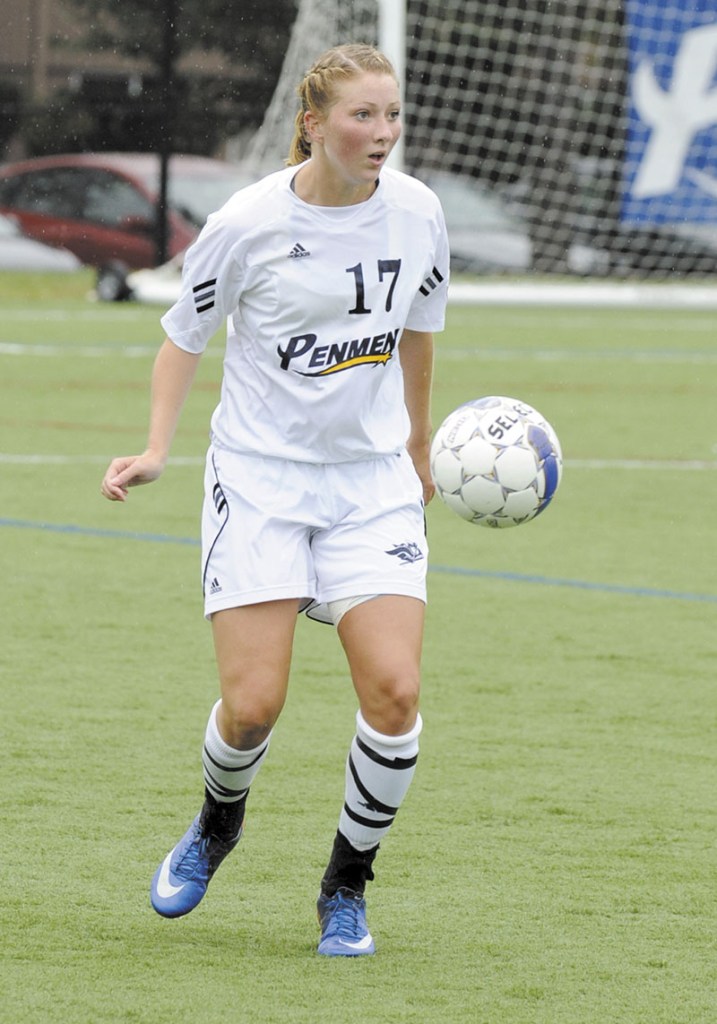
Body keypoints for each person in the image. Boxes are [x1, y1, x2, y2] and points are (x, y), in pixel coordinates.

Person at [101, 43, 449, 957]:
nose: (381, 134)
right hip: (258, 480)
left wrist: (418, 445)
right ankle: (217, 825)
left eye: (391, 116)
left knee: (396, 690)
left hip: (370, 486)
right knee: (253, 705)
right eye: (361, 116)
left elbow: (417, 330)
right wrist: (157, 446)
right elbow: (183, 336)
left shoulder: (418, 213)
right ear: (312, 122)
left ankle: (346, 886)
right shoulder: (248, 222)